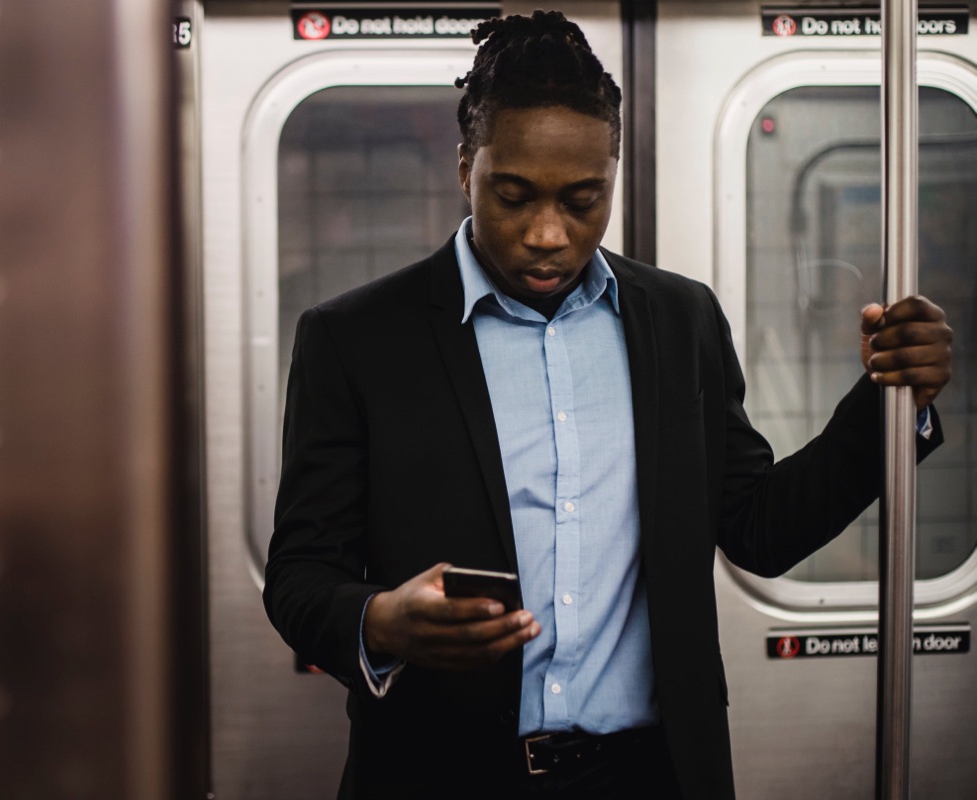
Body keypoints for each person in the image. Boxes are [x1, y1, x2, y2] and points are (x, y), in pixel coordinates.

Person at [263, 10, 953, 799]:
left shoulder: (680, 320)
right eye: (513, 196)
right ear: (466, 169)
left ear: (614, 175)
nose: (549, 233)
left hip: (649, 777)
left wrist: (892, 403)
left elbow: (760, 527)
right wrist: (380, 620)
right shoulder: (355, 338)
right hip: (439, 773)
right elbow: (299, 576)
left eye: (584, 198)